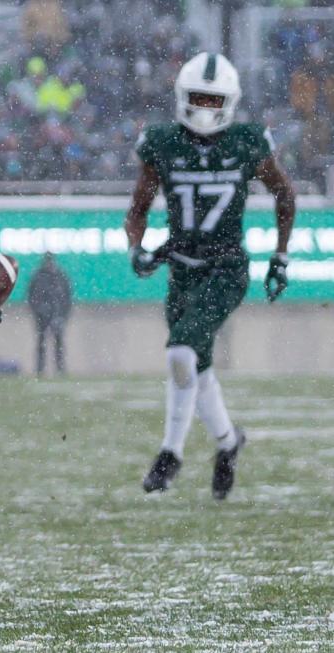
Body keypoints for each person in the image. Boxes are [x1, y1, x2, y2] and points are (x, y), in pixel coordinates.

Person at [125, 53, 296, 500]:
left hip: (225, 267)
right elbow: (138, 207)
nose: (203, 106)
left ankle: (170, 454)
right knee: (195, 365)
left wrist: (281, 255)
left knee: (181, 352)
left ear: (229, 102)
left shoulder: (245, 141)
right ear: (182, 97)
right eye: (197, 97)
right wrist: (137, 248)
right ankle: (227, 442)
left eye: (211, 98)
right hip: (182, 267)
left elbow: (284, 193)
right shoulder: (163, 143)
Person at [26, 252, 71, 376]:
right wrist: (39, 311)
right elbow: (31, 297)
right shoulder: (39, 276)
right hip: (42, 316)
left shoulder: (60, 276)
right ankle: (40, 369)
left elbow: (67, 297)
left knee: (58, 343)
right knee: (41, 343)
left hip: (57, 314)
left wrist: (62, 315)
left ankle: (60, 369)